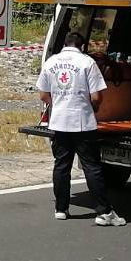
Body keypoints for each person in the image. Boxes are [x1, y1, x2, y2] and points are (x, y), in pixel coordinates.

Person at [36, 32, 126, 227]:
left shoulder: (51, 62)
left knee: (61, 165)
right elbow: (96, 96)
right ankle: (104, 212)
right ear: (82, 46)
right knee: (91, 166)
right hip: (82, 122)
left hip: (59, 122)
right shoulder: (87, 63)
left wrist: (58, 104)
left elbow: (43, 95)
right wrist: (93, 108)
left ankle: (61, 208)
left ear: (65, 44)